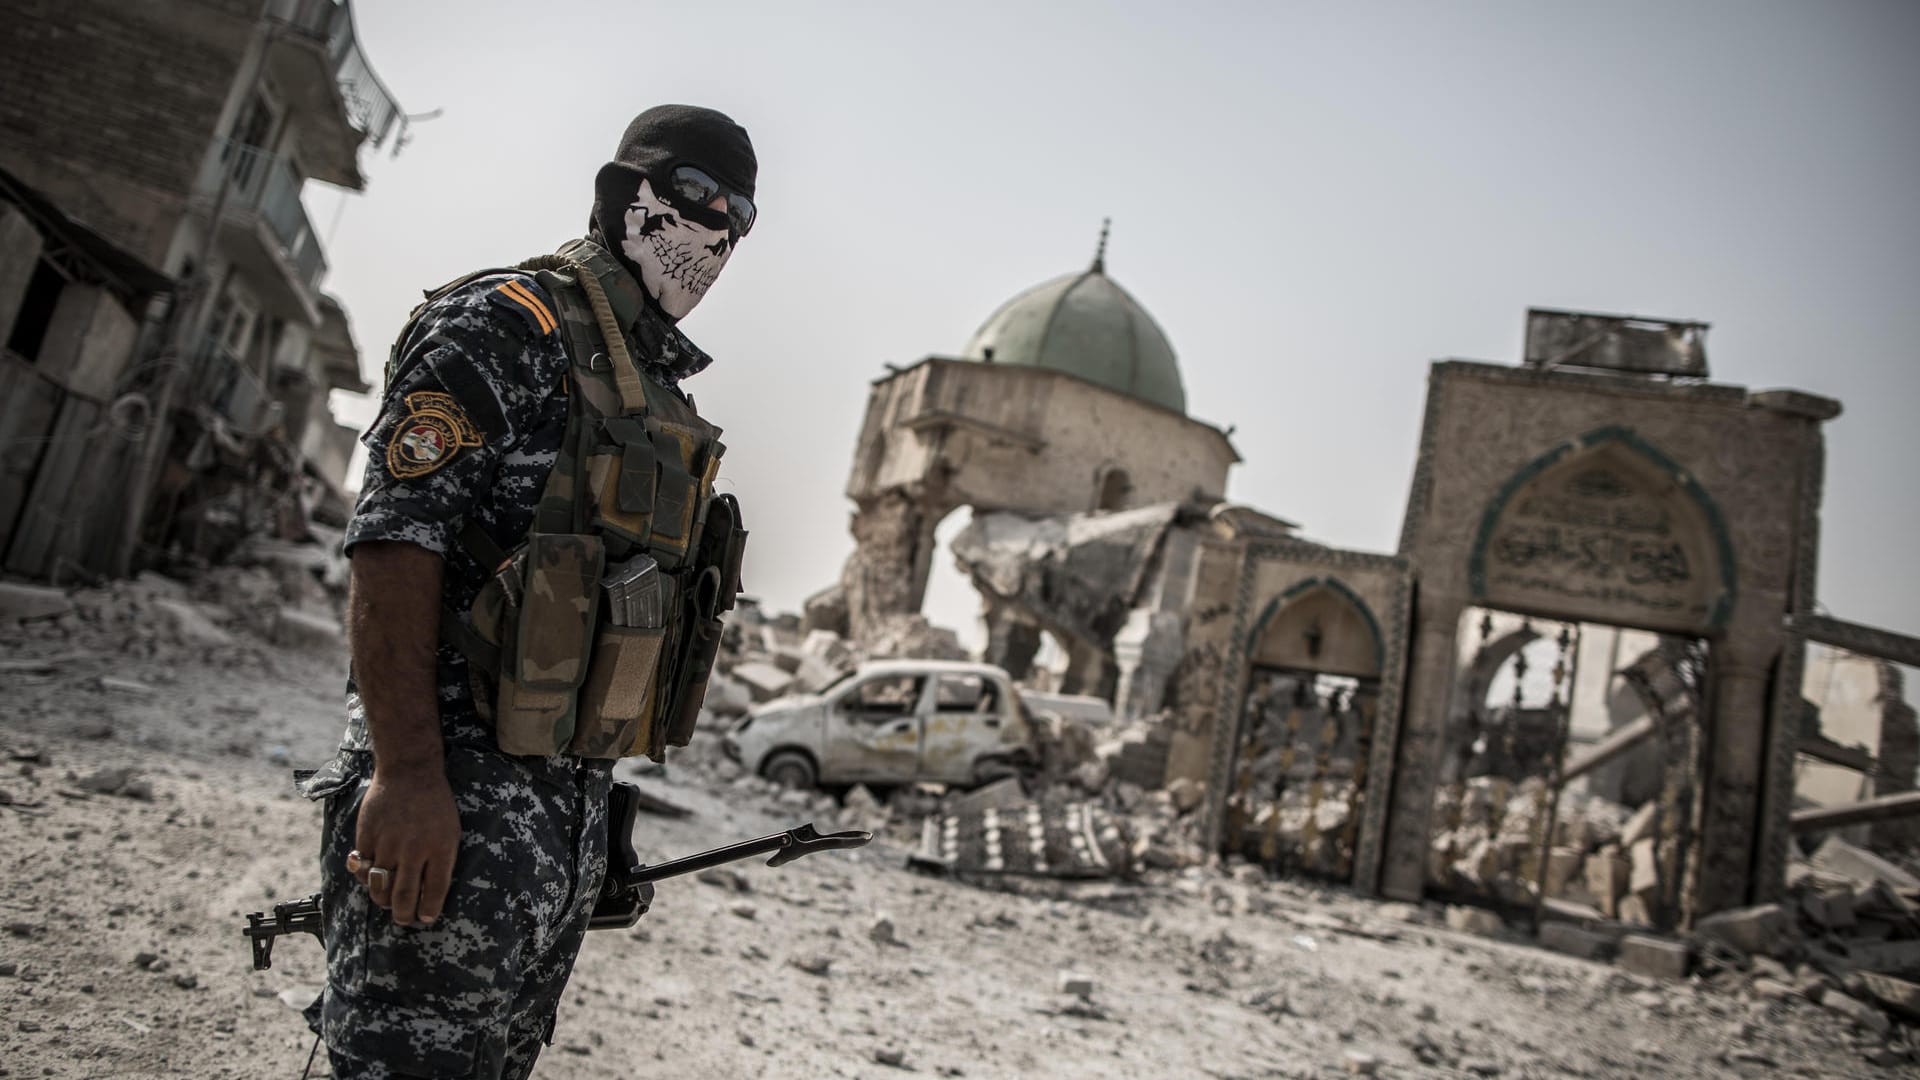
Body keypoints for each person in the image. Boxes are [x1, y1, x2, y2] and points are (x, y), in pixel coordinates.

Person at [300, 105, 757, 1079]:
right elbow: (394, 541)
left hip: (550, 842)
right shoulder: (504, 323)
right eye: (695, 198)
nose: (713, 233)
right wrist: (408, 775)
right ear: (621, 192)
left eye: (738, 220)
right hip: (447, 811)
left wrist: (591, 824)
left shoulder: (655, 395)